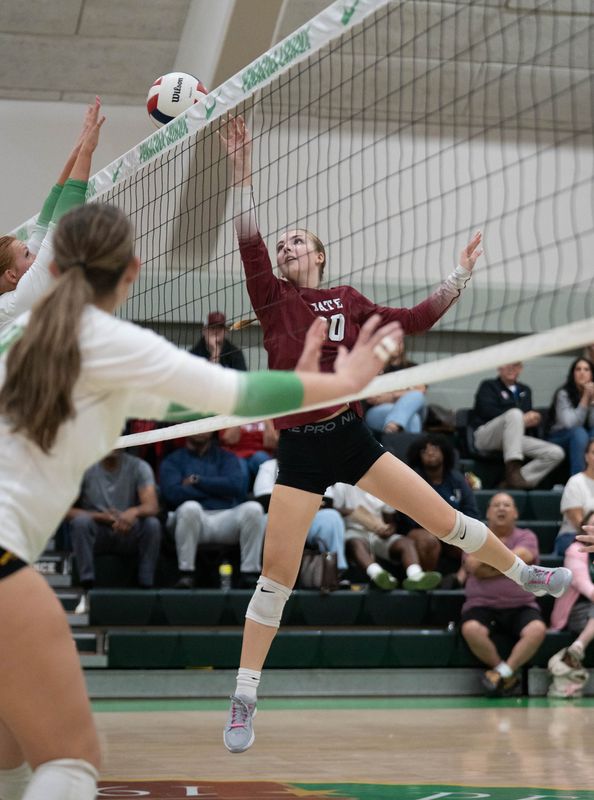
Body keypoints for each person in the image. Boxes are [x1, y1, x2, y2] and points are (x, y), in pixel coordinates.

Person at [0, 201, 402, 800]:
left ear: (51, 272)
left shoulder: (12, 326)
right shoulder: (115, 345)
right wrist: (343, 383)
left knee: (11, 751)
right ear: (134, 271)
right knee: (69, 762)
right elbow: (238, 392)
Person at [219, 115, 572, 753]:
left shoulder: (349, 300)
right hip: (300, 446)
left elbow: (415, 317)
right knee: (278, 576)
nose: (287, 247)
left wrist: (459, 276)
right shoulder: (271, 297)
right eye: (285, 242)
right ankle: (245, 696)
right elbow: (249, 240)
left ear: (321, 256)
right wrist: (240, 169)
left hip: (348, 436)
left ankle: (523, 574)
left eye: (299, 241)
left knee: (443, 519)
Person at [0, 98, 104, 333]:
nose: (34, 254)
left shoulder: (16, 290)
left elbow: (46, 217)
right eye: (27, 254)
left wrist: (79, 148)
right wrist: (88, 152)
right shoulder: (21, 299)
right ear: (11, 275)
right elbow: (63, 220)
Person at [460, 493, 547, 697]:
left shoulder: (527, 536)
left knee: (537, 629)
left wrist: (489, 565)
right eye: (496, 505)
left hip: (521, 605)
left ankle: (501, 673)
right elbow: (474, 566)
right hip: (481, 605)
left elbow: (524, 557)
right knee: (471, 629)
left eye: (507, 505)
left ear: (515, 512)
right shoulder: (476, 535)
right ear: (488, 511)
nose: (501, 508)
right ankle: (503, 671)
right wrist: (512, 567)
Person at [159, 431, 265, 588]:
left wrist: (197, 481)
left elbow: (235, 486)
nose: (201, 429)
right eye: (197, 424)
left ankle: (249, 574)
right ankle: (186, 574)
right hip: (190, 521)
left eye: (205, 424)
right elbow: (173, 494)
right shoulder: (173, 460)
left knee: (254, 509)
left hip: (224, 517)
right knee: (190, 508)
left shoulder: (226, 457)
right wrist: (217, 491)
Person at [68, 449, 162, 613]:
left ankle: (146, 586)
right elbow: (65, 510)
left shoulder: (139, 466)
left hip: (128, 531)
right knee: (80, 523)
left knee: (152, 524)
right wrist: (100, 516)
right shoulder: (84, 466)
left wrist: (133, 512)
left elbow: (152, 506)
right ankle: (87, 587)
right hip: (98, 532)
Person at [328, 482, 441, 590]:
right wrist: (352, 512)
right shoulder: (343, 484)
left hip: (377, 534)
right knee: (356, 543)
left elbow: (390, 521)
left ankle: (416, 576)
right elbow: (332, 508)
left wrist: (388, 530)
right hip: (353, 531)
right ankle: (378, 575)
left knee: (406, 543)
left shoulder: (383, 484)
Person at [403, 433, 481, 586]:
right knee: (429, 540)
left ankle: (458, 581)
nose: (430, 452)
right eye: (424, 450)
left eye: (435, 448)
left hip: (453, 531)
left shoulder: (457, 480)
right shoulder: (413, 479)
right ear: (418, 456)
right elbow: (408, 517)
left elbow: (471, 512)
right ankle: (426, 582)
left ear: (445, 453)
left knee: (476, 544)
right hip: (419, 531)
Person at [471, 362, 564, 489]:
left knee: (555, 453)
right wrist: (520, 418)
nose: (511, 368)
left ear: (520, 369)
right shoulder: (488, 385)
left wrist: (533, 418)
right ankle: (513, 468)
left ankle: (512, 482)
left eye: (515, 365)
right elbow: (486, 411)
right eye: (507, 364)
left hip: (513, 438)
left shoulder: (525, 390)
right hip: (487, 435)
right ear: (499, 367)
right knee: (515, 413)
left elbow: (525, 416)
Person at [253, 458, 349, 577]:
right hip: (280, 518)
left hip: (308, 518)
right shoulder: (270, 466)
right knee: (263, 520)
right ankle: (271, 575)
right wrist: (306, 501)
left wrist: (289, 501)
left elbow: (327, 501)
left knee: (332, 516)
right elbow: (264, 499)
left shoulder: (318, 466)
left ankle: (336, 571)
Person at [548, 511, 594, 698]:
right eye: (591, 526)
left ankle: (575, 651)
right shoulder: (575, 550)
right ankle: (577, 648)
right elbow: (584, 585)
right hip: (576, 609)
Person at [363, 344, 426, 434]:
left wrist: (391, 395)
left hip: (411, 408)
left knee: (416, 396)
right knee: (413, 418)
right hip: (378, 412)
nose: (396, 344)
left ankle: (391, 427)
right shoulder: (377, 368)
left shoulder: (412, 367)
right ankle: (395, 426)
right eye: (393, 341)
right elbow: (371, 398)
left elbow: (420, 391)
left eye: (399, 341)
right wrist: (406, 393)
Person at [547, 357, 594, 476]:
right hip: (560, 437)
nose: (582, 372)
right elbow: (570, 424)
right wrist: (585, 398)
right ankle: (578, 482)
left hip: (585, 436)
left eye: (586, 369)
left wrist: (593, 401)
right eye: (578, 369)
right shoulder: (563, 393)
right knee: (579, 433)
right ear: (573, 374)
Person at [554, 438, 594, 557]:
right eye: (593, 452)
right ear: (586, 457)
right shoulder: (576, 482)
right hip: (573, 536)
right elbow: (580, 525)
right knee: (579, 549)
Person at [220, 420, 278, 493]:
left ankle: (272, 497)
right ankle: (238, 502)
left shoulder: (270, 416)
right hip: (237, 454)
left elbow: (271, 444)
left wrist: (266, 418)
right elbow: (230, 440)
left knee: (261, 459)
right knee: (240, 468)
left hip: (260, 453)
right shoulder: (231, 414)